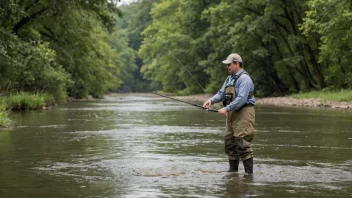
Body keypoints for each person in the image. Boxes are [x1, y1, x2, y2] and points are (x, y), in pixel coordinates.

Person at [202, 53, 255, 174]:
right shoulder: (229, 78)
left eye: (229, 64)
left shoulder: (244, 79)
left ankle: (249, 175)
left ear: (237, 64)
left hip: (244, 113)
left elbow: (241, 99)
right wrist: (210, 100)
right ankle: (233, 173)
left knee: (242, 143)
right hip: (231, 113)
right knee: (229, 142)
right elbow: (221, 93)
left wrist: (226, 108)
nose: (227, 67)